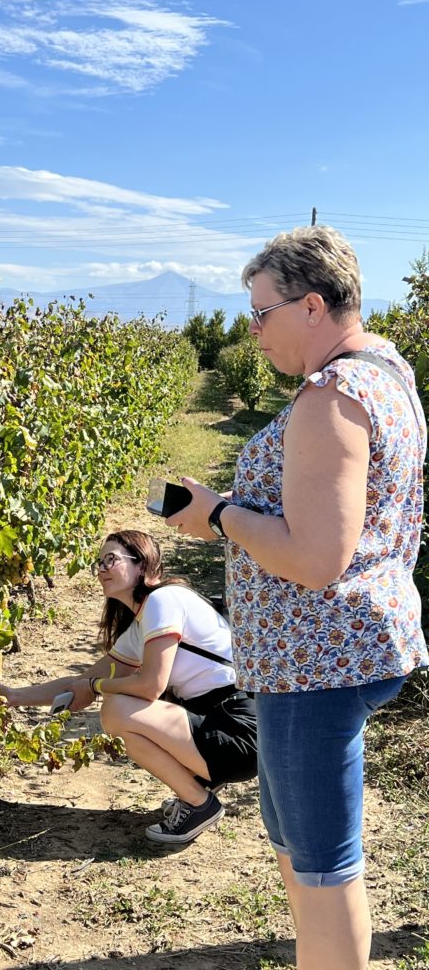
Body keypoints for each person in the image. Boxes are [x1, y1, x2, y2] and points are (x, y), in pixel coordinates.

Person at [170, 226, 428, 970]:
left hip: (317, 661)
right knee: (302, 850)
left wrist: (218, 515)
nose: (252, 332)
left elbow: (316, 558)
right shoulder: (386, 369)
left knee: (322, 867)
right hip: (332, 652)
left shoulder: (331, 395)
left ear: (311, 306)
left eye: (260, 313)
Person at [0, 529, 257, 845]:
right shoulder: (139, 629)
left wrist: (96, 686)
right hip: (217, 729)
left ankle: (200, 804)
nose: (102, 568)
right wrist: (12, 696)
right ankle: (198, 789)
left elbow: (150, 686)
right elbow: (80, 683)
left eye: (111, 559)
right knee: (123, 721)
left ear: (142, 565)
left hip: (239, 731)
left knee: (117, 708)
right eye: (99, 562)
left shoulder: (164, 599)